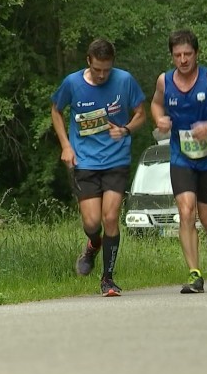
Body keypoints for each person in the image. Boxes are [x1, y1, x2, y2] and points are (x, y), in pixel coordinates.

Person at [51, 39, 146, 297]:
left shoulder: (124, 80)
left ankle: (108, 279)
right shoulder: (72, 83)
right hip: (85, 161)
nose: (103, 75)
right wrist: (66, 146)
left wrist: (126, 129)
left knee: (111, 218)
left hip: (116, 160)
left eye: (107, 69)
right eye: (97, 70)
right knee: (92, 223)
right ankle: (93, 245)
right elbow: (56, 111)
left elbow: (141, 113)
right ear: (88, 61)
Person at [150, 29, 207, 293]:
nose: (183, 60)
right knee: (186, 212)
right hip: (181, 156)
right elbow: (155, 104)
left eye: (188, 54)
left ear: (196, 54)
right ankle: (194, 274)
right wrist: (159, 119)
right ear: (172, 56)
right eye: (177, 55)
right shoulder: (164, 82)